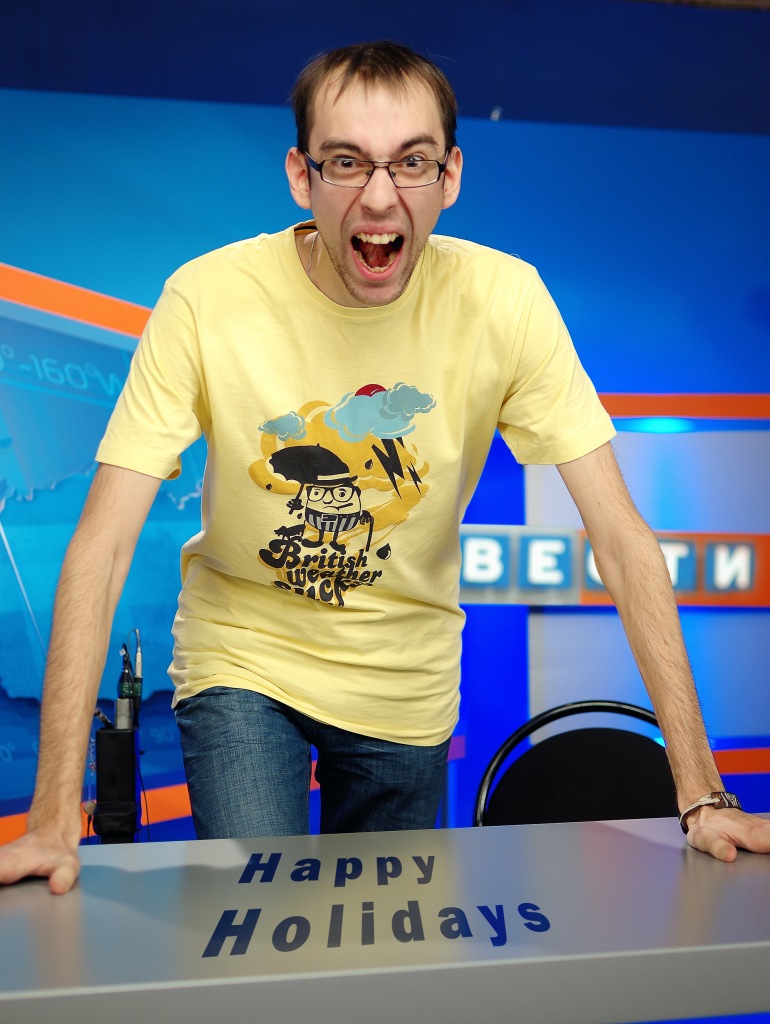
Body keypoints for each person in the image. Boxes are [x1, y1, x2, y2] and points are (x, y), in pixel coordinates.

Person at [1, 41, 769, 895]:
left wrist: (702, 795)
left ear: (450, 176)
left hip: (407, 679)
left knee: (385, 945)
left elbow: (621, 541)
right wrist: (51, 815)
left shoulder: (505, 300)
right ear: (301, 176)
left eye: (410, 162)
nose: (378, 195)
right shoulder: (207, 300)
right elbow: (103, 545)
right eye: (345, 162)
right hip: (244, 657)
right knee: (264, 924)